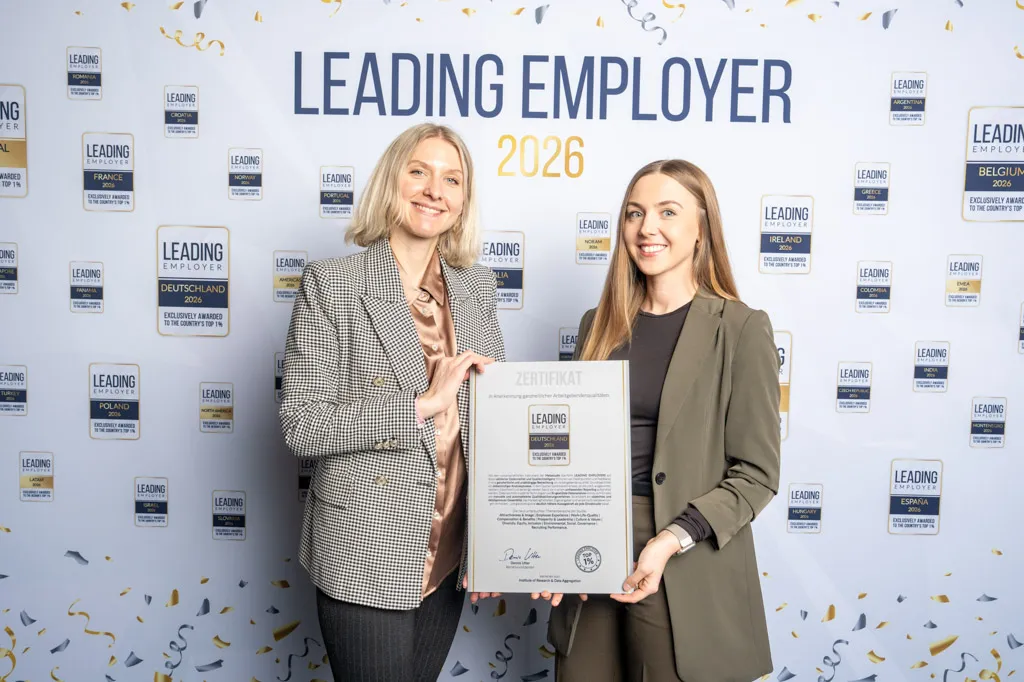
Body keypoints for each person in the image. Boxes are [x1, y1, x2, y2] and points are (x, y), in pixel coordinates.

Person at [279, 123, 505, 682]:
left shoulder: (477, 287)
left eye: (452, 179)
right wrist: (420, 406)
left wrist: (496, 543)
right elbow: (301, 425)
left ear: (463, 200)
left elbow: (493, 426)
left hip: (450, 549)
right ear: (391, 181)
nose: (434, 191)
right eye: (419, 172)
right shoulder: (332, 283)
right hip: (367, 547)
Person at [544, 160, 781, 682]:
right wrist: (550, 549)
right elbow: (569, 454)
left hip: (681, 549)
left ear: (702, 227)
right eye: (635, 213)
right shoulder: (597, 326)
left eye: (667, 212)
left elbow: (757, 474)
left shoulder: (740, 329)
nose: (647, 227)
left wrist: (672, 538)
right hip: (592, 543)